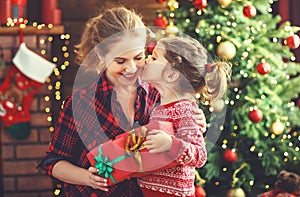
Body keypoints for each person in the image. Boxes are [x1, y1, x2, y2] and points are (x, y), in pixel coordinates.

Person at [38, 6, 206, 197]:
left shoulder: (159, 96)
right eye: (120, 61)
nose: (131, 68)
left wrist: (192, 121)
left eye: (138, 57)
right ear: (101, 55)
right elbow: (53, 163)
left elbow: (186, 147)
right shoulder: (80, 104)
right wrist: (87, 177)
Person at [137, 36, 232, 197]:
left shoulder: (184, 110)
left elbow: (200, 156)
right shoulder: (160, 106)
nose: (146, 59)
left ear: (171, 76)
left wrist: (170, 144)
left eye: (154, 58)